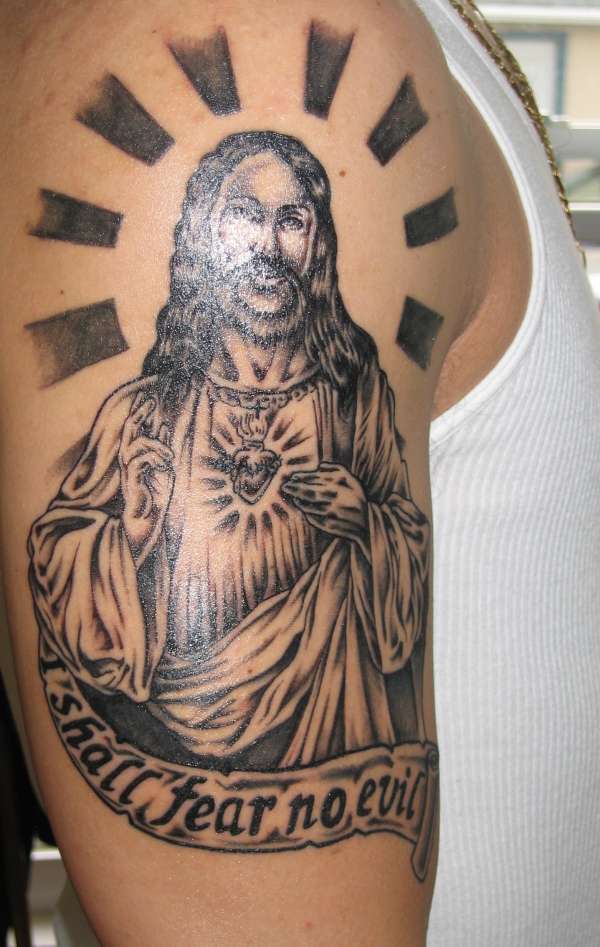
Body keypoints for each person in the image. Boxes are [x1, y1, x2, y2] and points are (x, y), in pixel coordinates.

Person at [1, 0, 599, 945]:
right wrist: (130, 532)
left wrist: (362, 518)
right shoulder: (257, 24)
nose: (272, 247)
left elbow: (398, 567)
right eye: (248, 217)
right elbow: (70, 580)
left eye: (294, 220)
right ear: (201, 232)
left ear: (320, 244)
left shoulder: (353, 398)